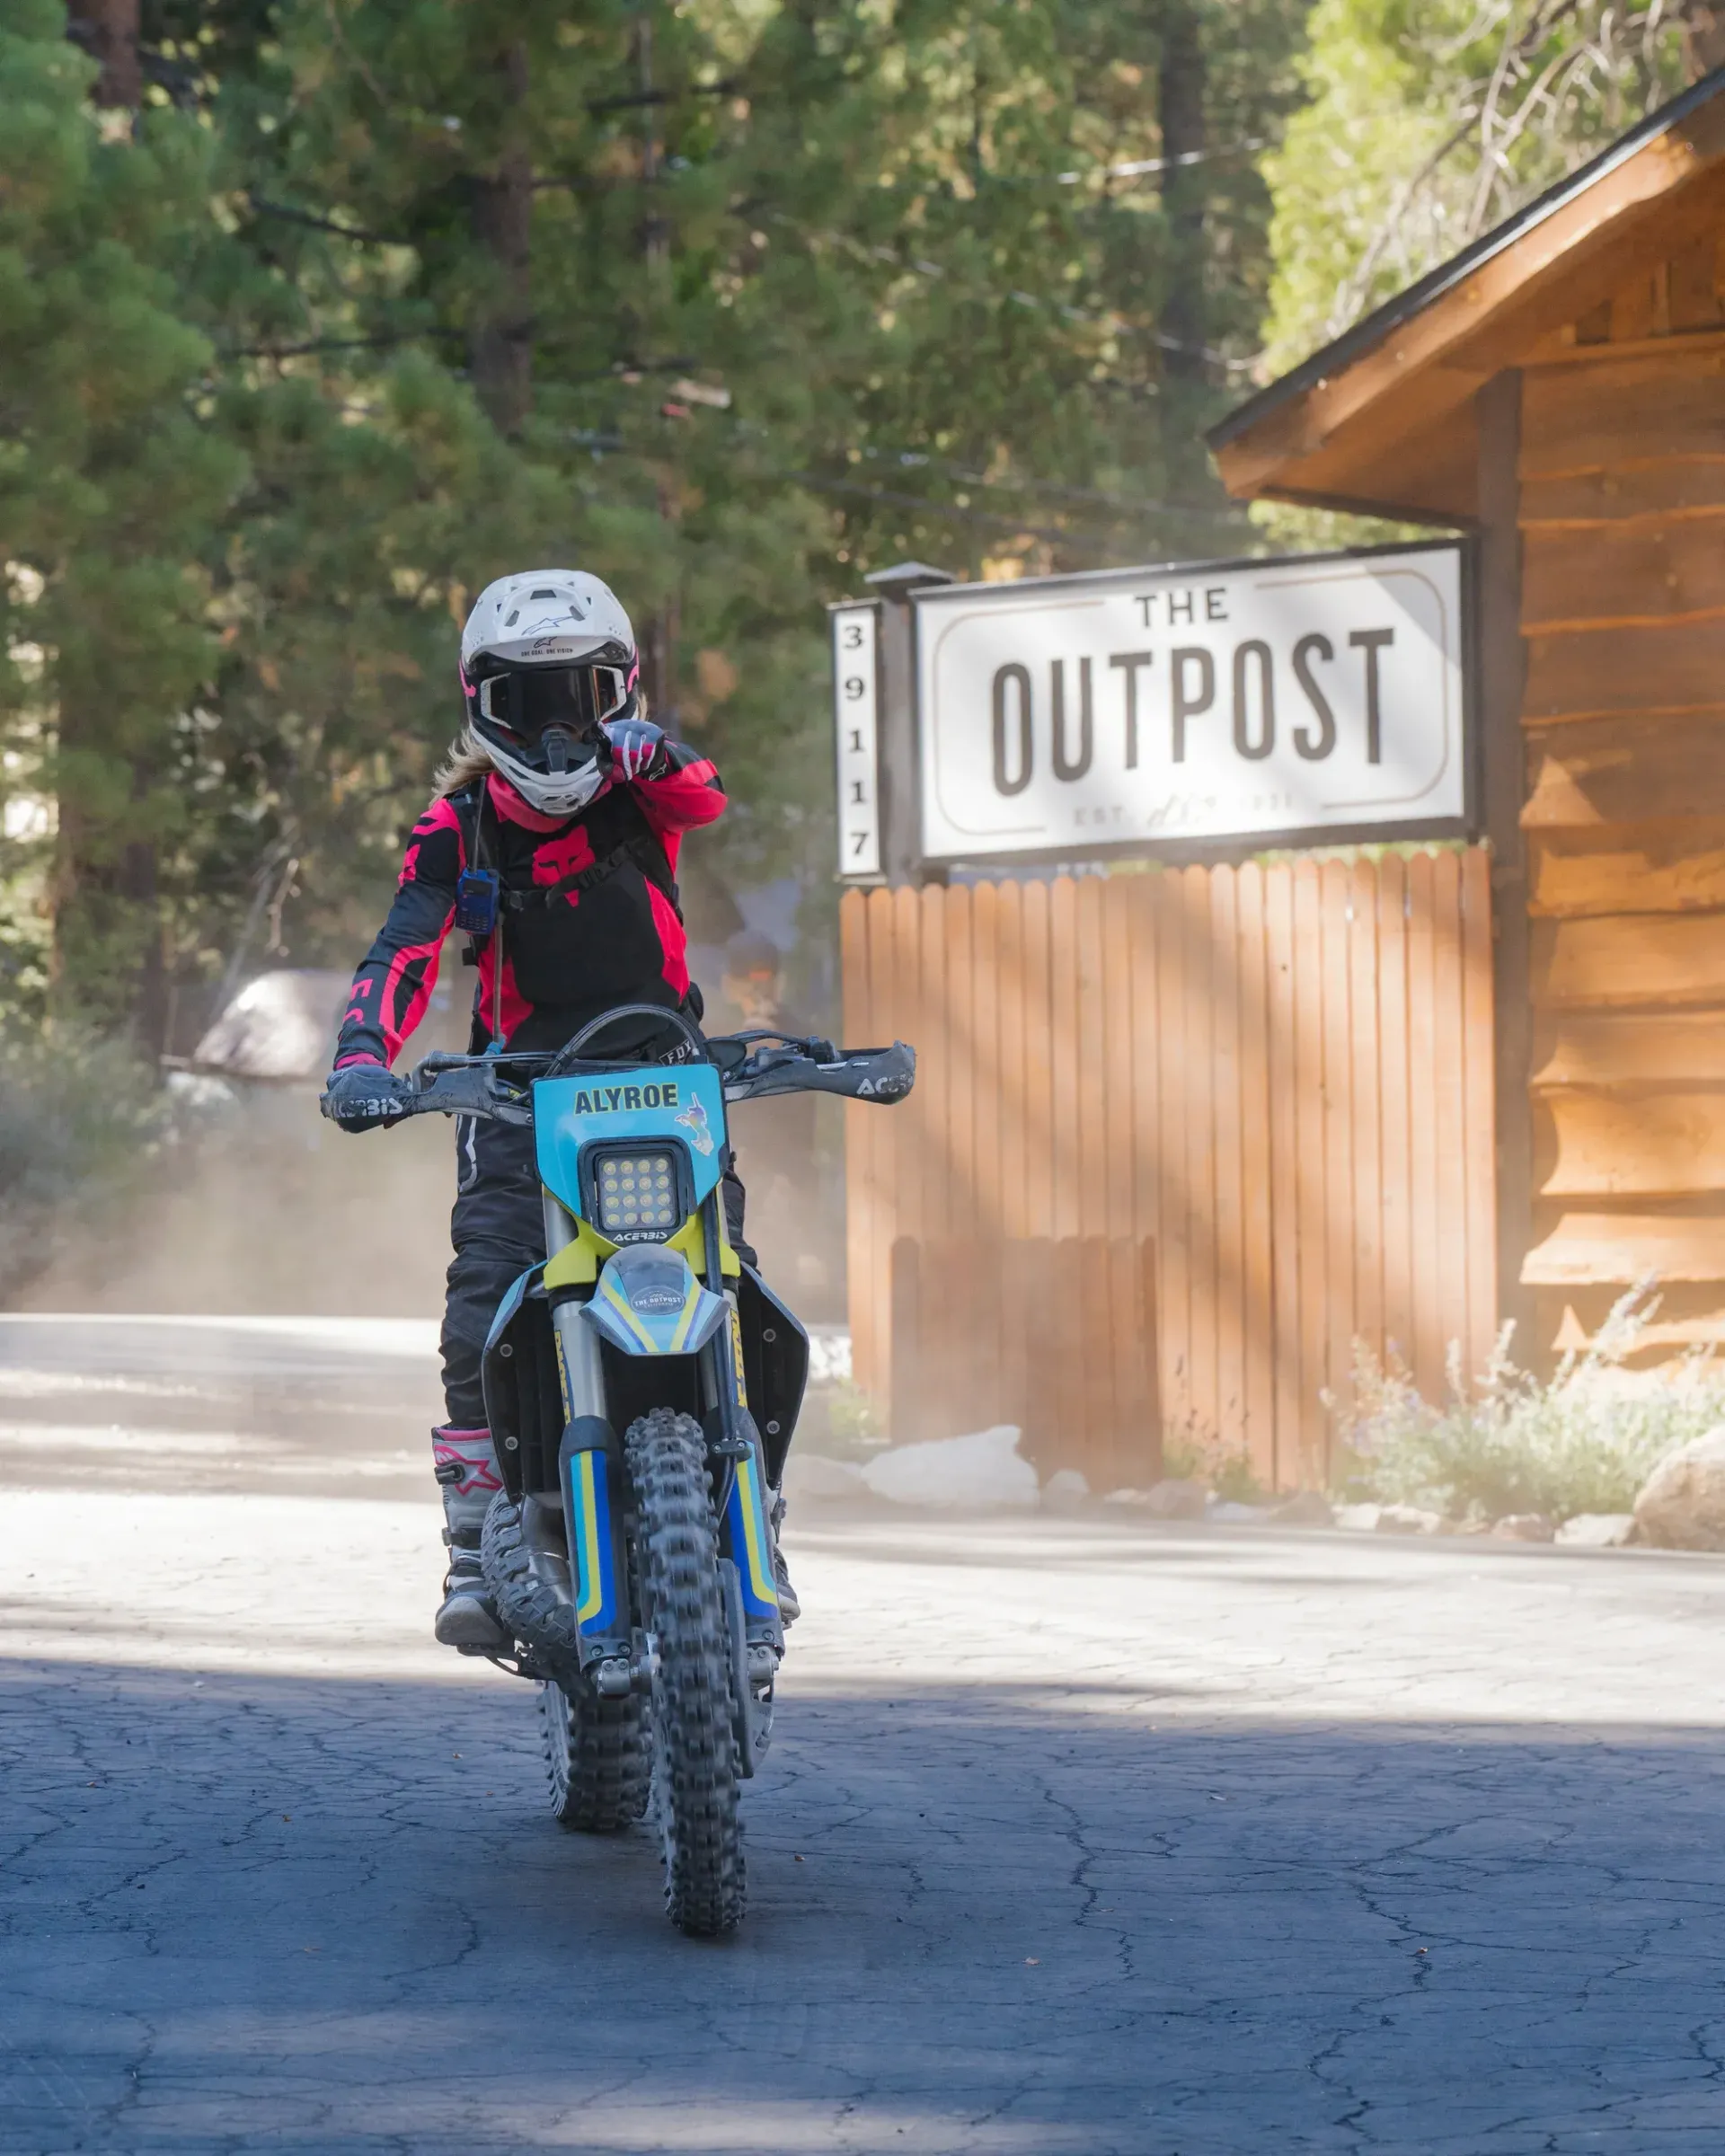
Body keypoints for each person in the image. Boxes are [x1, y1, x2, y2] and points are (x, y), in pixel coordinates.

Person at [323, 568, 761, 1648]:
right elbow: (406, 947)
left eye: (584, 698)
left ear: (622, 696)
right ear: (482, 704)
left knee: (733, 1275)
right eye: (530, 702)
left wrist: (646, 746)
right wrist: (362, 1055)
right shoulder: (455, 824)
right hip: (518, 1092)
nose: (559, 731)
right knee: (484, 1292)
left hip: (664, 1070)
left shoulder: (643, 790)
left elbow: (705, 792)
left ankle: (752, 1492)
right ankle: (475, 1541)